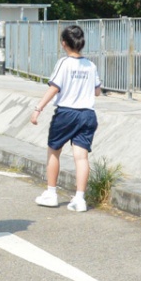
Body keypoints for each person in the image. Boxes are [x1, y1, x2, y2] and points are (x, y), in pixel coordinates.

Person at [30, 24, 102, 211]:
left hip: (66, 113)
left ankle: (51, 193)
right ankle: (80, 198)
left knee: (54, 151)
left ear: (64, 43)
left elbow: (54, 87)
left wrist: (38, 108)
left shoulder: (64, 63)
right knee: (81, 157)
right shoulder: (91, 65)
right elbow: (97, 91)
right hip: (87, 114)